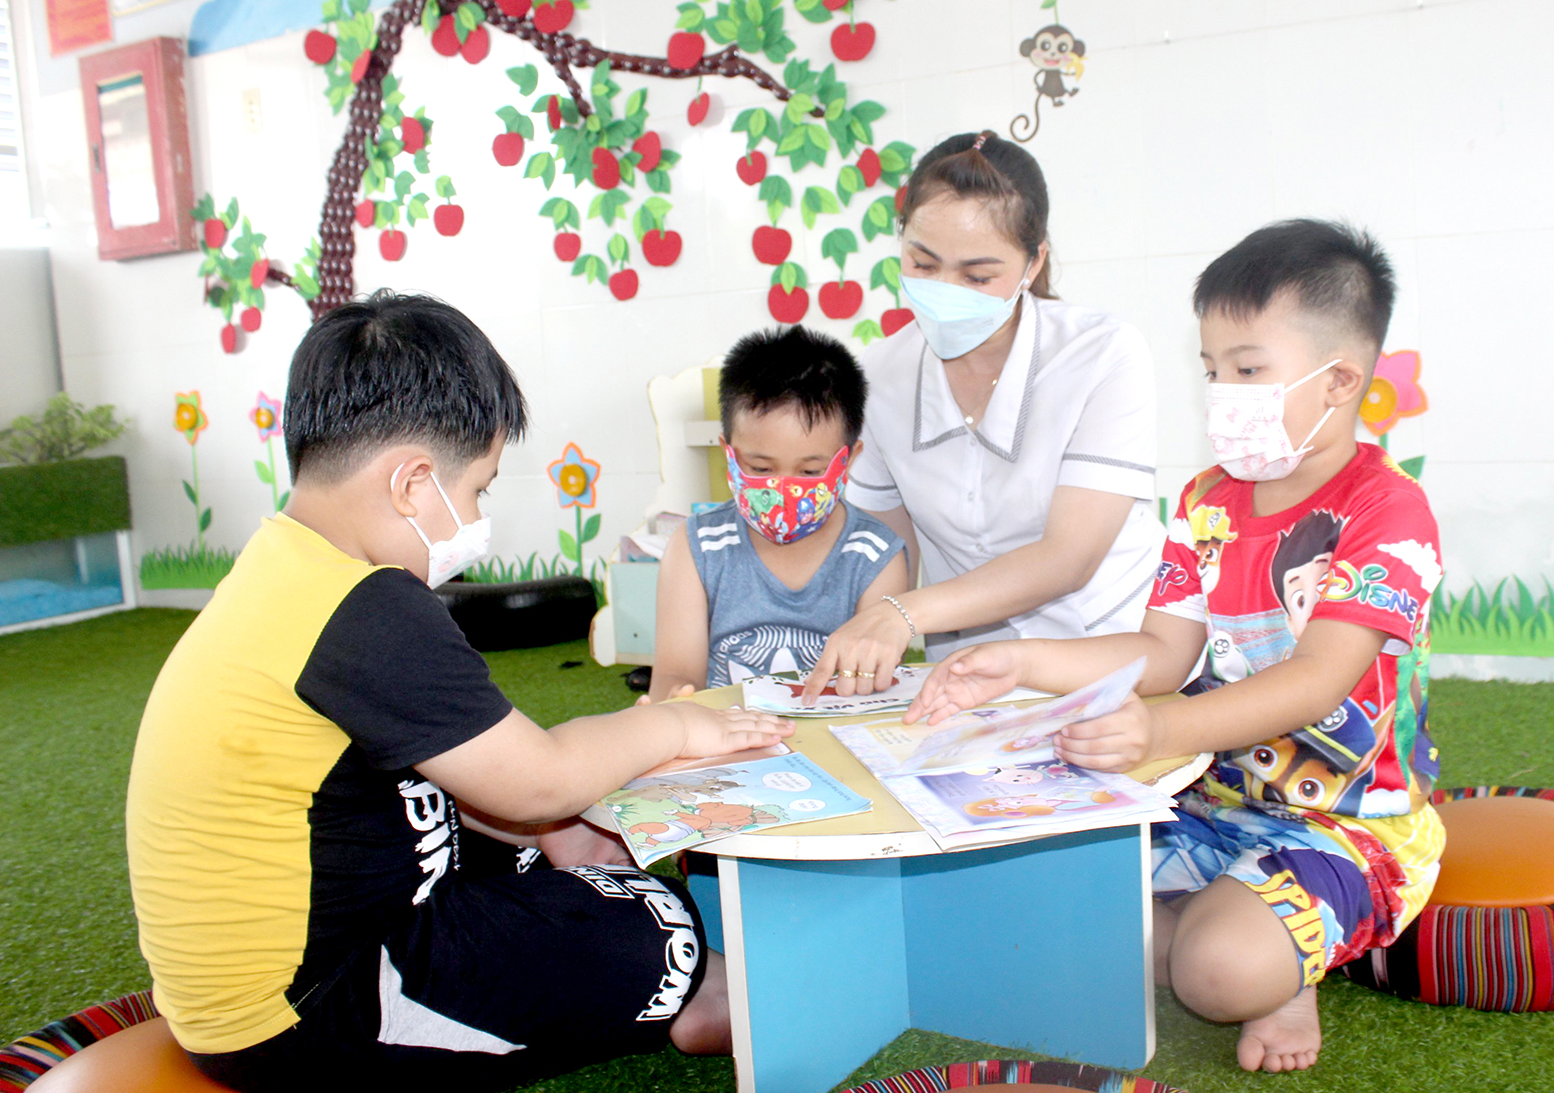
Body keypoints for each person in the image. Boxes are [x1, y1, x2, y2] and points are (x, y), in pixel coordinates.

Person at [125, 292, 792, 1092]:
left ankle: (634, 937)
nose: (475, 517)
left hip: (302, 948)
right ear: (412, 483)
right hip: (303, 1018)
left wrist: (552, 828)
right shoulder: (365, 607)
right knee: (653, 925)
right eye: (477, 489)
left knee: (545, 846)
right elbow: (539, 777)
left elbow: (448, 769)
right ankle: (694, 986)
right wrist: (674, 724)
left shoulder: (286, 566)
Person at [906, 221, 1445, 1074]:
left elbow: (1316, 681)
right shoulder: (1208, 501)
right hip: (1206, 802)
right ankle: (1242, 922)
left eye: (1248, 370)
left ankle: (1272, 962)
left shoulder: (1388, 510)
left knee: (1215, 976)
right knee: (1038, 905)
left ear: (1340, 381)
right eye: (1212, 370)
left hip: (1346, 826)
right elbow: (1164, 651)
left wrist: (1159, 730)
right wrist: (1024, 662)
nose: (1222, 392)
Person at [803, 129, 1163, 701]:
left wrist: (903, 615)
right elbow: (888, 555)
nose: (945, 291)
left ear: (1033, 262)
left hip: (1104, 658)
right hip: (964, 680)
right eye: (923, 263)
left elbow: (1068, 558)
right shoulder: (880, 376)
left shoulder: (1101, 354)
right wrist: (862, 644)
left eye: (977, 277)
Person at [645, 326, 908, 699]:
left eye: (810, 472)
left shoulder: (876, 556)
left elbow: (872, 685)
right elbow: (675, 674)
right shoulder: (697, 547)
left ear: (849, 460)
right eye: (761, 468)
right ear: (728, 453)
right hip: (723, 732)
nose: (783, 492)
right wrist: (676, 700)